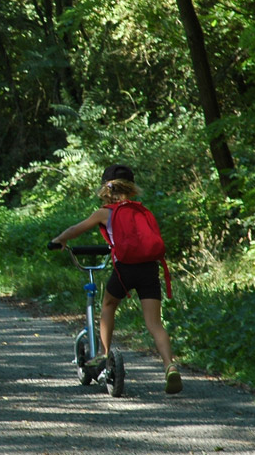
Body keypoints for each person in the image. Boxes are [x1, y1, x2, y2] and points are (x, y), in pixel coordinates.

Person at [50, 164, 183, 394]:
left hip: (125, 270)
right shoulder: (142, 211)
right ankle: (169, 365)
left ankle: (104, 352)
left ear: (106, 189)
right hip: (150, 269)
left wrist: (60, 240)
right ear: (131, 189)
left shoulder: (106, 212)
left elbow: (76, 229)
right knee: (154, 323)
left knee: (108, 305)